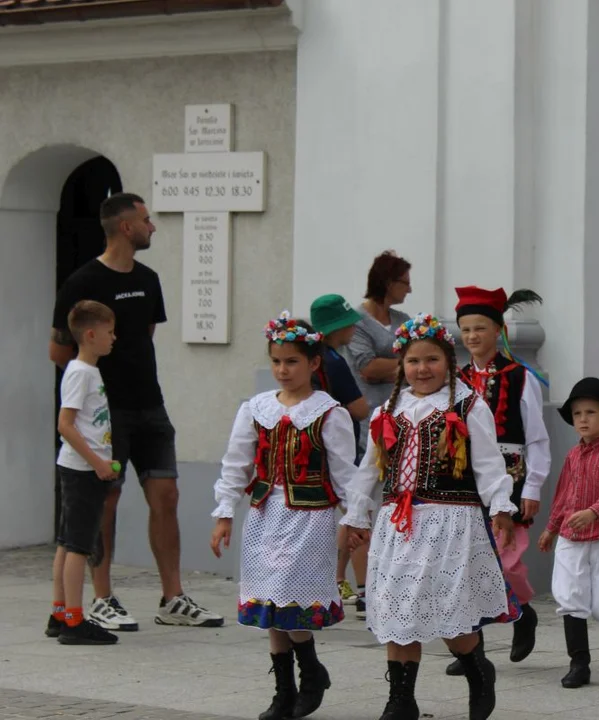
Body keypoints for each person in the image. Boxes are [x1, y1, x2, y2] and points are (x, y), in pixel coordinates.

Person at [48, 192, 222, 631]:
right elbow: (58, 350)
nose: (153, 226)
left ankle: (172, 598)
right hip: (108, 414)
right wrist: (93, 384)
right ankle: (102, 597)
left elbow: (144, 336)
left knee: (167, 495)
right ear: (126, 227)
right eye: (147, 220)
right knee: (105, 500)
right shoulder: (81, 282)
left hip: (151, 405)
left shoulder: (148, 278)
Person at [353, 313, 518, 720]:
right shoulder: (386, 411)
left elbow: (487, 463)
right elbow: (368, 469)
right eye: (413, 361)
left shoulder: (466, 403)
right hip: (397, 523)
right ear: (401, 365)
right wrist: (357, 513)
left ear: (448, 360)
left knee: (446, 608)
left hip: (450, 522)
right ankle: (401, 699)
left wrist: (500, 507)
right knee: (396, 608)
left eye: (432, 360)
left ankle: (477, 668)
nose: (422, 369)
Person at [210, 312, 368, 720]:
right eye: (277, 361)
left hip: (309, 519)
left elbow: (345, 472)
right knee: (269, 604)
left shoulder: (328, 413)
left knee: (291, 599)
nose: (283, 369)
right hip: (265, 516)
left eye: (292, 361)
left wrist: (355, 519)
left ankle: (311, 672)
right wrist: (225, 511)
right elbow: (237, 463)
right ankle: (284, 690)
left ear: (314, 364)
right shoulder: (256, 408)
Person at [450, 286, 552, 672]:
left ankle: (523, 612)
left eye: (480, 328)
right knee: (467, 564)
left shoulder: (519, 377)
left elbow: (537, 436)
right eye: (466, 329)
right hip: (463, 482)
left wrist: (534, 486)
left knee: (506, 562)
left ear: (498, 330)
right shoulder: (455, 380)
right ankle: (470, 650)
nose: (473, 336)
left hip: (509, 480)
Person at [539, 377, 599, 689]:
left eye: (591, 412)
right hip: (571, 536)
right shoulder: (572, 456)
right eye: (578, 413)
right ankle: (579, 663)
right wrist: (552, 528)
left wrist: (595, 510)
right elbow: (563, 494)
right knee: (570, 595)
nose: (583, 419)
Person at [47, 301, 120, 645]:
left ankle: (60, 612)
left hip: (80, 468)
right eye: (109, 332)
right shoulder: (80, 372)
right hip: (82, 471)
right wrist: (97, 462)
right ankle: (74, 622)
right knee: (78, 545)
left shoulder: (87, 370)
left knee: (66, 542)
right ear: (90, 335)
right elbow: (66, 425)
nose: (114, 338)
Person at [309, 294, 371, 617]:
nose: (354, 327)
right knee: (358, 512)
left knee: (343, 514)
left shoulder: (313, 357)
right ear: (338, 327)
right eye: (349, 323)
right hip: (344, 450)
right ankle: (363, 590)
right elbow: (359, 408)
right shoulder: (334, 361)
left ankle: (335, 580)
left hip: (315, 451)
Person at [346, 251, 412, 455]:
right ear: (389, 283)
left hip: (402, 415)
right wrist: (406, 366)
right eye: (405, 283)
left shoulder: (403, 319)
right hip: (370, 419)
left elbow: (418, 361)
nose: (409, 289)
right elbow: (368, 368)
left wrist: (392, 368)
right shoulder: (357, 322)